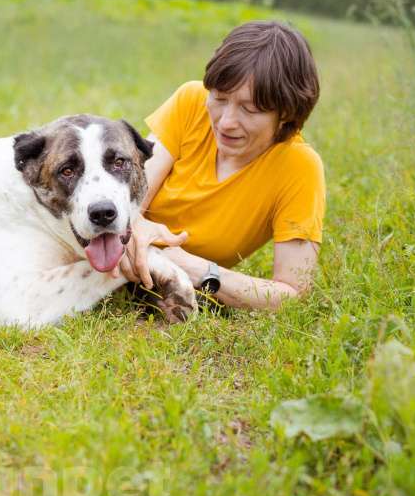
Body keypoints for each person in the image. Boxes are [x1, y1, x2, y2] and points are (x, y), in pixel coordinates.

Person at [115, 20, 325, 311]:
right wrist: (136, 226)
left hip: (170, 278)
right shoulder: (191, 102)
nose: (226, 122)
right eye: (220, 98)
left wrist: (200, 271)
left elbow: (291, 294)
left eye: (249, 109)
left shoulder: (299, 166)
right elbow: (126, 196)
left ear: (287, 113)